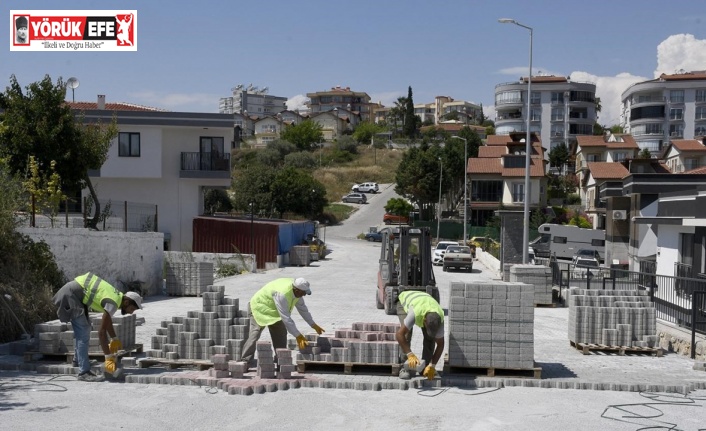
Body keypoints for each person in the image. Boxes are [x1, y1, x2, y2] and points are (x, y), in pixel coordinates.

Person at [52, 272, 142, 382]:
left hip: (76, 296)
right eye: (132, 309)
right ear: (127, 302)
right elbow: (101, 332)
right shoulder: (113, 302)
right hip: (71, 295)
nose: (131, 312)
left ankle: (78, 361)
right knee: (83, 332)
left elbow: (107, 321)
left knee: (84, 329)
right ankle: (83, 372)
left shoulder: (116, 298)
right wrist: (108, 357)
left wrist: (114, 338)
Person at [240, 277, 324, 366]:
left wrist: (313, 324)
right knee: (255, 333)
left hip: (274, 311)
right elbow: (286, 318)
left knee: (280, 334)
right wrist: (298, 335)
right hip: (260, 307)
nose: (304, 295)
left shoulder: (297, 293)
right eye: (303, 293)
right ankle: (245, 360)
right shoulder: (282, 294)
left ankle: (280, 360)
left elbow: (303, 309)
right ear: (297, 290)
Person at [395, 290, 445, 380]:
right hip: (405, 301)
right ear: (425, 321)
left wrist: (432, 365)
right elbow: (399, 334)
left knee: (430, 338)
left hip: (424, 301)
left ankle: (425, 367)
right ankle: (404, 367)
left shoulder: (439, 317)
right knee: (406, 335)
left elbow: (441, 344)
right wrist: (410, 354)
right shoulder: (415, 313)